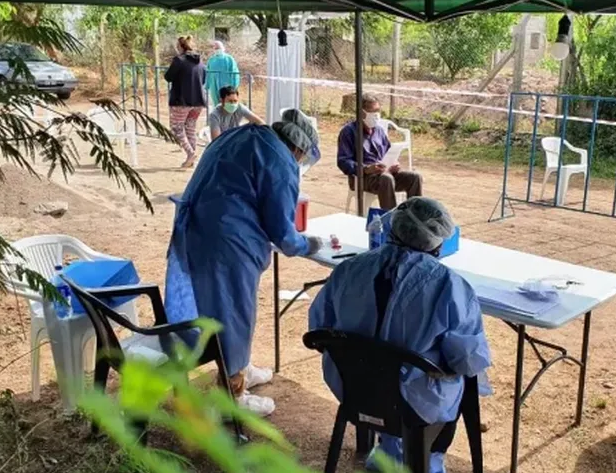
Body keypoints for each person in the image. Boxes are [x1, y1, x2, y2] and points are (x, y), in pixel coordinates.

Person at [308, 197, 492, 473]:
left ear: (393, 227)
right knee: (456, 385)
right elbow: (468, 359)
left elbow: (318, 326)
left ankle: (386, 456)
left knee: (392, 374)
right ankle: (425, 472)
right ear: (437, 241)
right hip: (410, 404)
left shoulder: (349, 269)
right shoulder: (448, 285)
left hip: (352, 390)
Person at [164, 109, 324, 415]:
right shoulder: (279, 159)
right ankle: (232, 396)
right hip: (227, 243)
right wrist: (308, 244)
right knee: (233, 314)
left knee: (226, 310)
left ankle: (240, 367)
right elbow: (283, 233)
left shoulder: (244, 135)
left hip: (199, 231)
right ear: (300, 147)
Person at [337, 94, 423, 210]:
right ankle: (390, 219)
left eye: (378, 111)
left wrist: (393, 164)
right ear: (361, 113)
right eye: (373, 111)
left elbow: (388, 153)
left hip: (384, 174)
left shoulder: (379, 131)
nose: (377, 115)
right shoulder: (348, 132)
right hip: (362, 178)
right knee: (386, 179)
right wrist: (366, 169)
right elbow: (343, 161)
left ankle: (414, 217)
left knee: (415, 177)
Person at [163, 35, 207, 168]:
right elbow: (203, 80)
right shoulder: (200, 62)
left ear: (181, 46)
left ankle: (190, 153)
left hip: (181, 100)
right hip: (198, 100)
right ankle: (191, 159)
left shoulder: (179, 60)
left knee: (176, 128)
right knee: (190, 128)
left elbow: (168, 77)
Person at [204, 40, 240, 109]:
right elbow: (208, 74)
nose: (217, 49)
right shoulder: (211, 60)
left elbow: (235, 73)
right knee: (216, 104)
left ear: (223, 48)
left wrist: (234, 87)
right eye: (215, 48)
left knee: (227, 104)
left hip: (227, 86)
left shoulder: (229, 59)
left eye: (218, 47)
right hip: (213, 86)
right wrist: (207, 85)